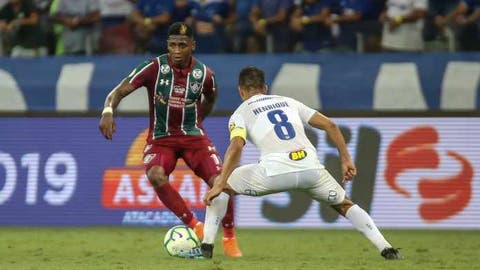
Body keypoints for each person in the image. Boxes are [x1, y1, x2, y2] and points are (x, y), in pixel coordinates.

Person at [200, 66, 401, 260]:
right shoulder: (289, 102)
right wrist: (346, 159)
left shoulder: (240, 113)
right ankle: (386, 248)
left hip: (274, 173)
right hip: (310, 170)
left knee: (223, 186)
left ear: (240, 91)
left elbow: (236, 147)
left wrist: (219, 183)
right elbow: (330, 125)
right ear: (265, 88)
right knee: (345, 204)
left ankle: (207, 246)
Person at [98, 22, 242, 258]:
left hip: (193, 138)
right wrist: (107, 112)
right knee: (155, 175)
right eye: (172, 44)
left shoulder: (205, 74)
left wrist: (198, 120)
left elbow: (210, 98)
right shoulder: (154, 67)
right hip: (161, 139)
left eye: (182, 45)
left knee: (220, 181)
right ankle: (195, 226)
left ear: (192, 46)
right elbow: (120, 90)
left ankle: (229, 237)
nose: (176, 50)